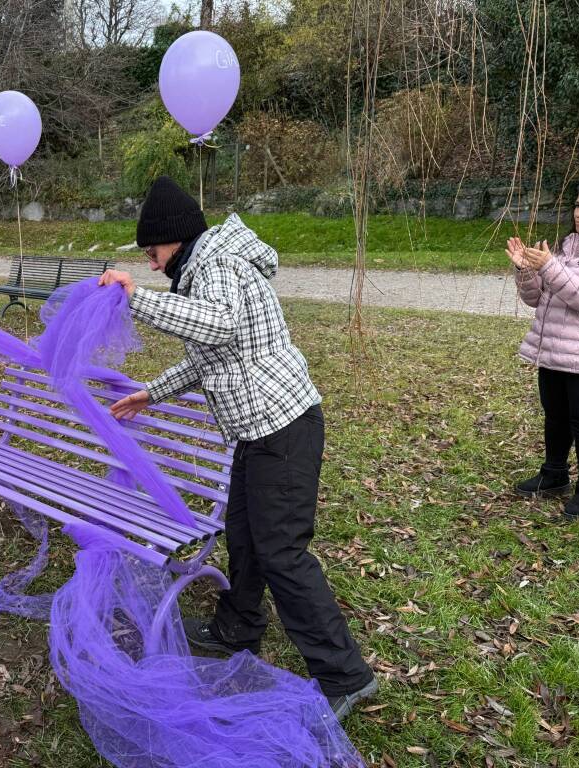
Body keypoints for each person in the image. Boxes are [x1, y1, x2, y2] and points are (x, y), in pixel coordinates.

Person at [100, 176, 377, 720]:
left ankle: (346, 674)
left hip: (284, 426)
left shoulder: (219, 265)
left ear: (174, 239)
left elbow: (219, 323)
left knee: (282, 551)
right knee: (245, 534)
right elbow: (211, 355)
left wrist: (139, 301)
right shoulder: (204, 268)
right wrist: (151, 392)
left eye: (152, 252)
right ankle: (237, 625)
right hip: (256, 431)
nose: (153, 265)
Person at [508, 176, 579, 522]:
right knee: (555, 417)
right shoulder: (566, 245)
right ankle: (554, 475)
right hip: (553, 349)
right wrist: (526, 271)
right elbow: (537, 299)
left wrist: (549, 267)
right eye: (577, 205)